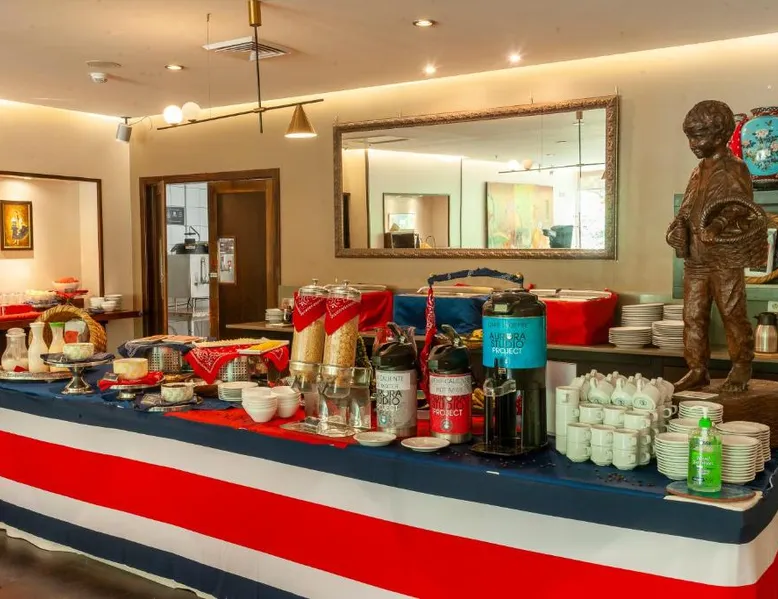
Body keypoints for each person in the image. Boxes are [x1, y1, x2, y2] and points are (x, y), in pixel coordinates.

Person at [667, 100, 767, 392]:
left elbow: (741, 206)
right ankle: (697, 368)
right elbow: (686, 209)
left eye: (699, 137)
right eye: (690, 137)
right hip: (696, 259)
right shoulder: (698, 171)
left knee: (732, 313)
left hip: (724, 257)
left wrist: (717, 225)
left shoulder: (735, 167)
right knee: (692, 316)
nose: (693, 144)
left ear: (721, 134)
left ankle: (741, 365)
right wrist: (676, 229)